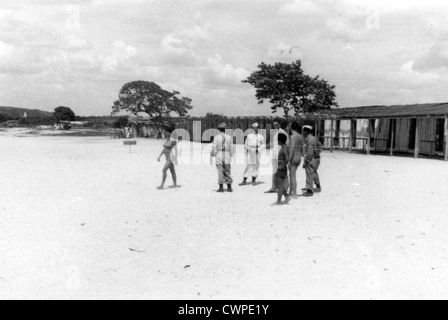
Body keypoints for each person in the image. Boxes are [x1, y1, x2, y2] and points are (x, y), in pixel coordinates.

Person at [265, 120, 289, 194]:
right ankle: (274, 187)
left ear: (279, 125)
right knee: (274, 171)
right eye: (274, 125)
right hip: (274, 154)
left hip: (281, 154)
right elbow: (273, 143)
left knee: (283, 171)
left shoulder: (283, 133)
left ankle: (285, 188)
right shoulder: (275, 133)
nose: (275, 126)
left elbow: (286, 144)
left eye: (276, 125)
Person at [210, 123, 234, 193]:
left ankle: (221, 188)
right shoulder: (229, 137)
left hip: (219, 154)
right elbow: (231, 147)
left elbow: (214, 147)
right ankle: (229, 187)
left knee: (220, 171)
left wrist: (212, 154)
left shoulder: (217, 137)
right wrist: (231, 155)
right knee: (227, 171)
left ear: (219, 130)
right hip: (227, 154)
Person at [302, 125, 321, 197]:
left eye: (303, 131)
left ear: (306, 131)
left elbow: (309, 152)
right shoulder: (313, 138)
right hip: (316, 158)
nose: (303, 133)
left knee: (309, 173)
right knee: (314, 172)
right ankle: (318, 186)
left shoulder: (309, 140)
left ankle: (309, 190)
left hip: (311, 159)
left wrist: (306, 161)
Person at [272, 133, 290, 205]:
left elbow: (287, 159)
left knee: (280, 185)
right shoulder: (284, 147)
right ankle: (286, 196)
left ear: (280, 140)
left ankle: (278, 201)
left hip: (281, 168)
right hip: (279, 167)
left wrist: (282, 165)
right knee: (279, 184)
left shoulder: (284, 148)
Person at [289, 122, 305, 199]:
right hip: (299, 156)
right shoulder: (301, 136)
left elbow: (292, 149)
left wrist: (288, 160)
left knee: (292, 175)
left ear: (291, 127)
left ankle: (294, 193)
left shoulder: (293, 137)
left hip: (294, 156)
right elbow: (303, 148)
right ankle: (291, 192)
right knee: (293, 174)